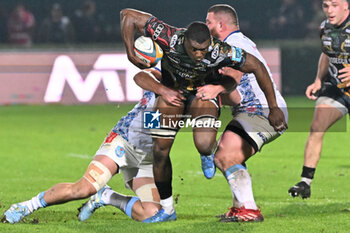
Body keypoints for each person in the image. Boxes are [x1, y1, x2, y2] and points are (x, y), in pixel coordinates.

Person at [120, 8, 286, 222]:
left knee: (205, 144)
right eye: (195, 50)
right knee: (160, 151)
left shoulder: (221, 50)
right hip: (173, 97)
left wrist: (273, 107)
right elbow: (128, 15)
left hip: (201, 97)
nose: (200, 54)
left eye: (204, 49)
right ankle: (167, 209)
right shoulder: (169, 37)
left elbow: (257, 66)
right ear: (185, 43)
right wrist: (131, 53)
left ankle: (206, 154)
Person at [2, 69, 166, 224]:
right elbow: (141, 76)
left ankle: (107, 196)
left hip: (145, 155)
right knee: (84, 189)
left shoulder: (189, 96)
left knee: (151, 213)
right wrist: (165, 90)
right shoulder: (167, 77)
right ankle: (26, 206)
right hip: (124, 141)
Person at [201, 4, 288, 222]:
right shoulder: (238, 42)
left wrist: (215, 88)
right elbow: (236, 96)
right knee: (229, 156)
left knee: (224, 155)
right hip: (255, 109)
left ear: (221, 25)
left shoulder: (231, 45)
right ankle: (240, 207)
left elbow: (236, 78)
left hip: (262, 111)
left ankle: (249, 210)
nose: (206, 26)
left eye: (209, 22)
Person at [288, 0, 350, 199]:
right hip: (338, 89)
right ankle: (305, 182)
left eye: (334, 5)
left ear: (346, 6)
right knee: (317, 126)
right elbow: (326, 54)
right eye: (325, 5)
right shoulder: (324, 28)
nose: (329, 10)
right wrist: (317, 80)